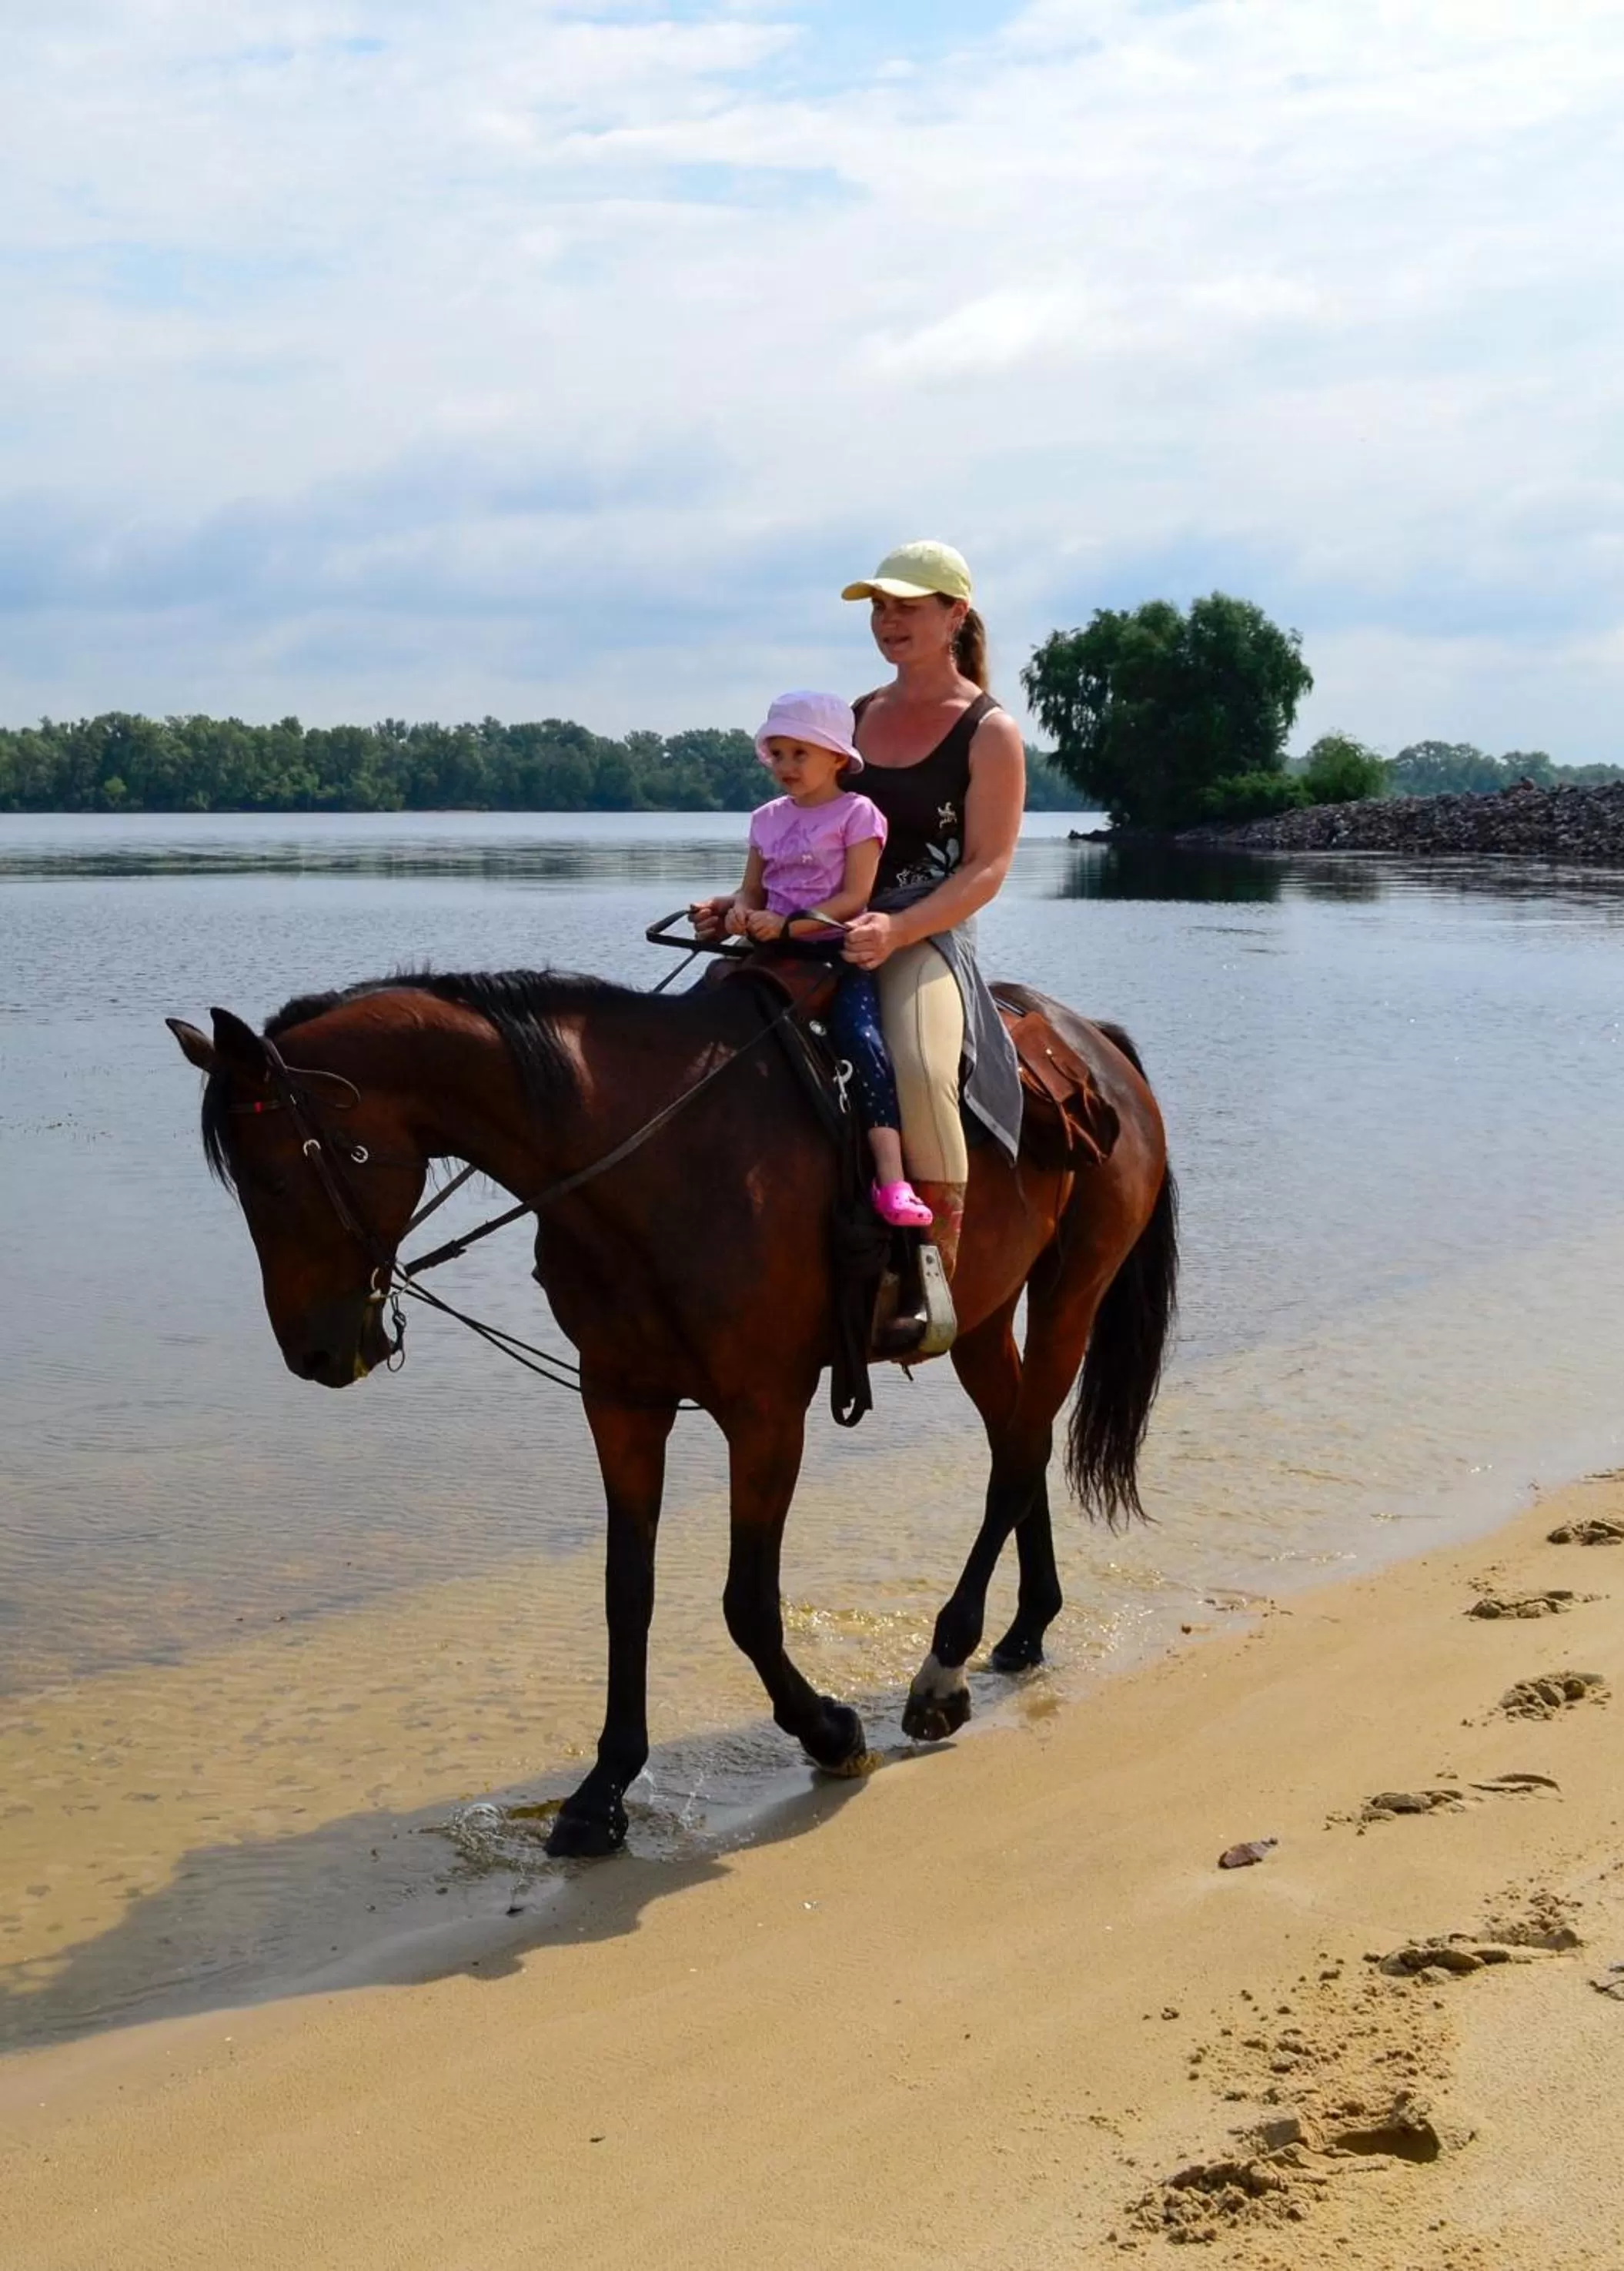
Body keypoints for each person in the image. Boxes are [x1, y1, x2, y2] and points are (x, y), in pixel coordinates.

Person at [836, 540, 1026, 1287]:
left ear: (955, 615)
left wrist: (898, 930)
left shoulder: (988, 731)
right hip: (829, 919)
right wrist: (746, 905)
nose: (888, 621)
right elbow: (809, 824)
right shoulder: (852, 716)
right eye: (880, 607)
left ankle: (931, 1276)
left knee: (917, 1067)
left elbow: (987, 868)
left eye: (906, 607)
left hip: (925, 932)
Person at [693, 689, 935, 1231]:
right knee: (691, 1016)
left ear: (837, 758)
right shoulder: (765, 819)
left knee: (864, 1043)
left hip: (832, 956)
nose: (786, 766)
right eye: (778, 754)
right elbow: (751, 889)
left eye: (800, 753)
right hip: (769, 953)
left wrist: (789, 924)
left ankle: (892, 1179)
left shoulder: (858, 815)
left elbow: (854, 898)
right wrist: (738, 912)